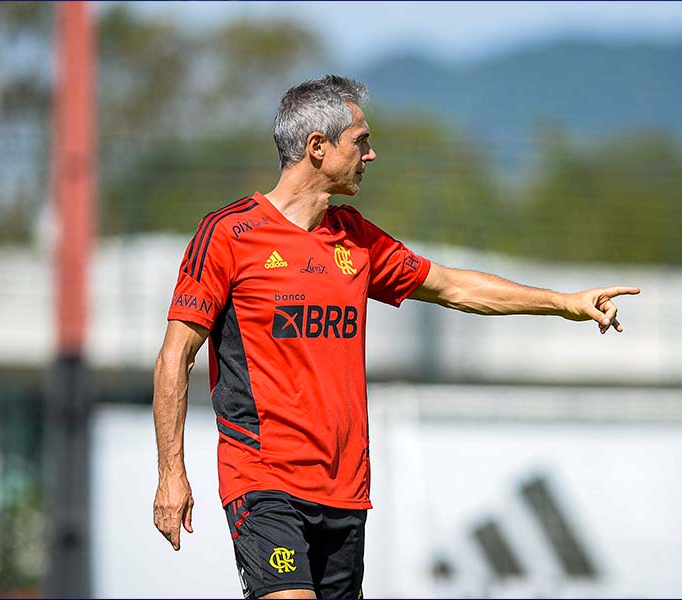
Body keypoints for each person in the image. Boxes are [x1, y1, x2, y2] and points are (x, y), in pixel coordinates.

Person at [152, 74, 639, 599]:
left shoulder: (355, 238)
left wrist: (564, 302)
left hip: (345, 490)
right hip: (264, 479)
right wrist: (170, 472)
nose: (371, 153)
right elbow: (175, 357)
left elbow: (453, 286)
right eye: (360, 141)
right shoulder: (229, 234)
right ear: (318, 148)